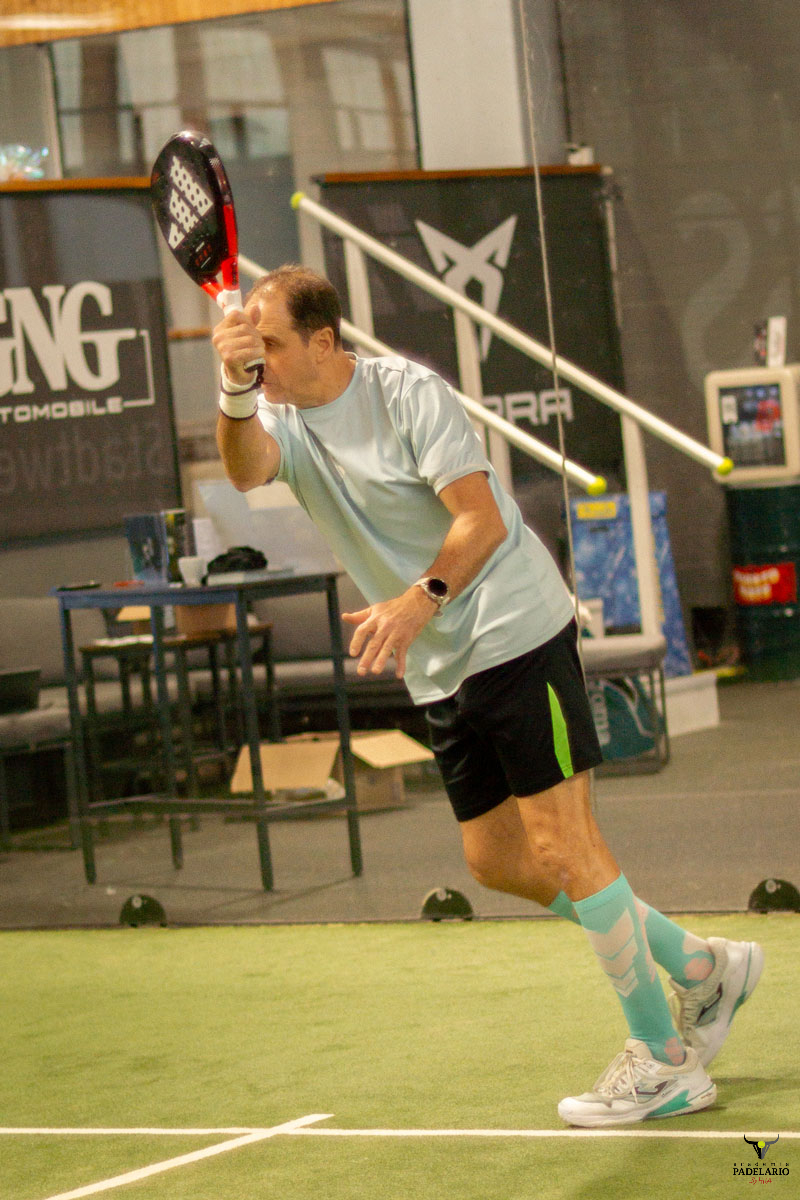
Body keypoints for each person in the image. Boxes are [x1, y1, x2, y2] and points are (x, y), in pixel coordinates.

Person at [212, 263, 763, 1128]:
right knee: (497, 859)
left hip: (512, 626)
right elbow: (246, 471)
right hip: (440, 662)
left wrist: (418, 599)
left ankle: (664, 1061)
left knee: (565, 843)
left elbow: (483, 518)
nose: (262, 360)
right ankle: (702, 968)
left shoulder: (407, 396)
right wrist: (234, 388)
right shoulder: (277, 416)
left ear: (322, 341)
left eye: (271, 345)